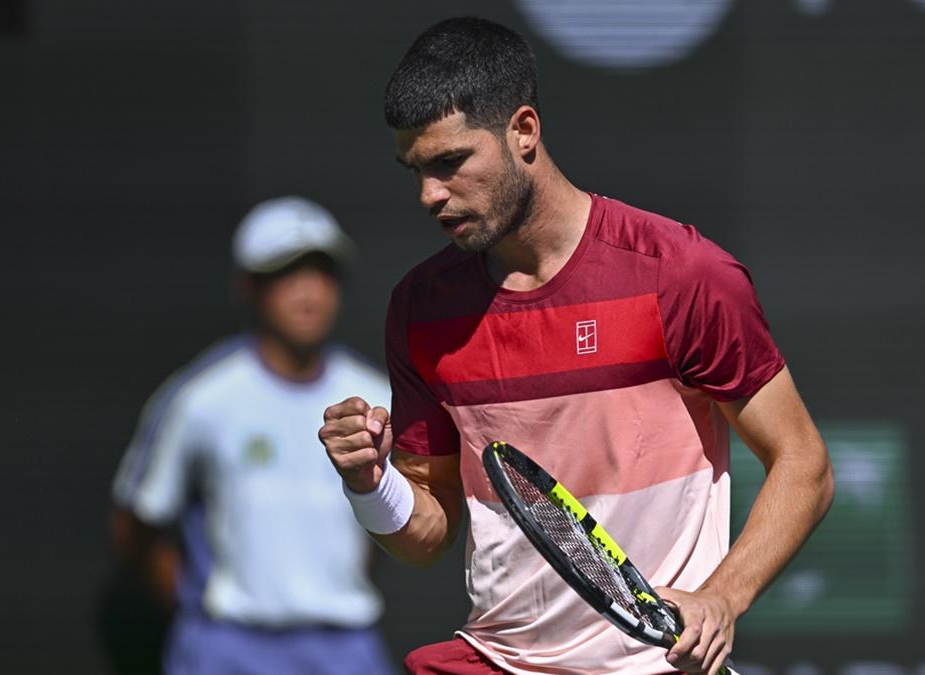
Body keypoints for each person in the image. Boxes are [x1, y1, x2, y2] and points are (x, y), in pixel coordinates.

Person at [318, 17, 835, 675]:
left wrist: (722, 598)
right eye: (416, 171)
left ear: (523, 131)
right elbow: (427, 533)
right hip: (497, 660)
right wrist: (369, 482)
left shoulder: (680, 275)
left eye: (450, 163)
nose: (430, 194)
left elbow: (804, 463)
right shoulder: (421, 309)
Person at [111, 196, 394, 675]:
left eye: (322, 272)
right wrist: (197, 608)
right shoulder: (201, 396)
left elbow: (397, 517)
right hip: (227, 649)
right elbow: (137, 520)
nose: (309, 291)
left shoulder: (377, 395)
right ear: (248, 287)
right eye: (286, 272)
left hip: (346, 648)